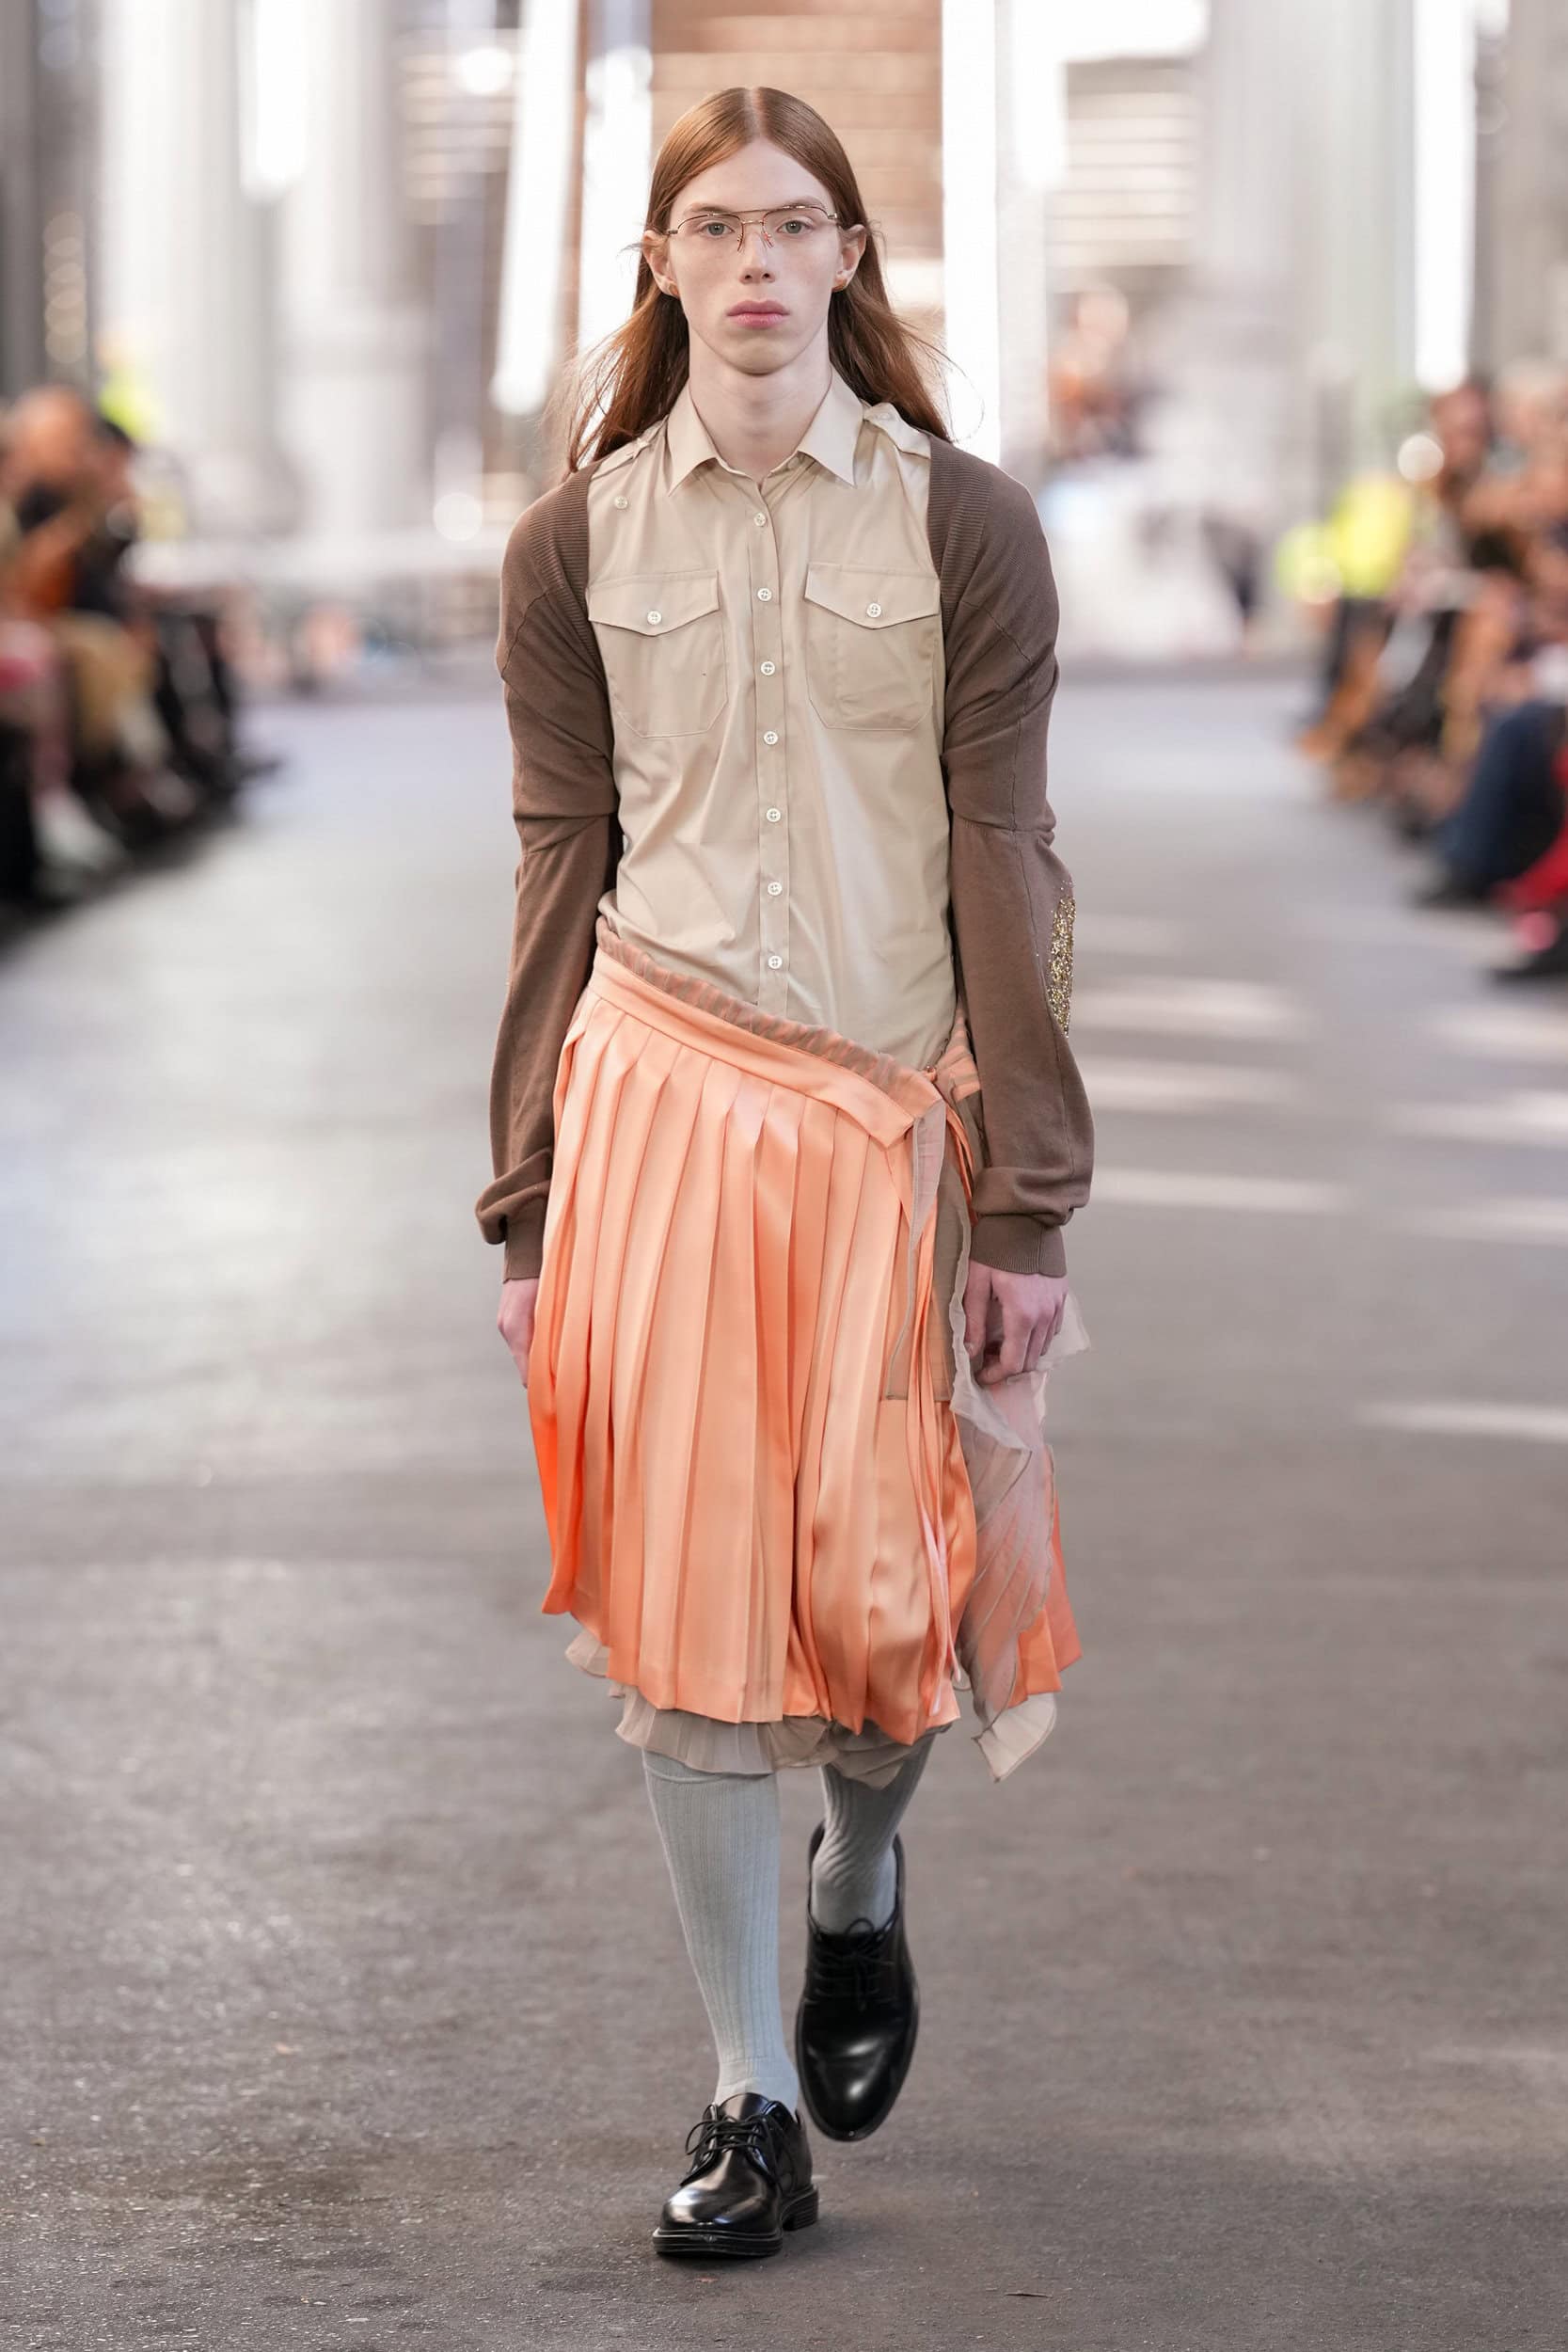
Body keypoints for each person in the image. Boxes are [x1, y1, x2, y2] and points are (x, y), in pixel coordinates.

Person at [474, 86, 1095, 2260]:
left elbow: (1008, 853)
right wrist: (528, 1196)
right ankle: (749, 2087)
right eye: (717, 227)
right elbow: (559, 867)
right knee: (692, 1613)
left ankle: (860, 1875)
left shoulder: (965, 527)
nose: (755, 261)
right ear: (661, 263)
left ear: (848, 258)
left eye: (794, 224)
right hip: (656, 1097)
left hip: (889, 1121)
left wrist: (1027, 1196)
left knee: (886, 1612)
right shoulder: (572, 548)